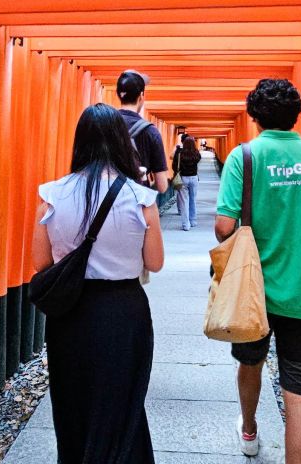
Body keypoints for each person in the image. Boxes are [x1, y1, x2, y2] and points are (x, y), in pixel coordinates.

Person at [214, 79, 301, 464]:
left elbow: (225, 226)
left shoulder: (245, 157)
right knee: (299, 395)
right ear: (296, 115)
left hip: (253, 292)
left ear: (254, 118)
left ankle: (250, 428)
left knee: (250, 363)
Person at [32, 103, 165, 464]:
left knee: (72, 399)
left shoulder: (51, 195)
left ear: (80, 143)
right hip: (124, 310)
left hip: (71, 313)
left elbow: (42, 264)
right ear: (123, 143)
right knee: (123, 399)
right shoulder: (141, 198)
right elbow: (155, 262)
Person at [116, 70, 169, 193]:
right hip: (137, 203)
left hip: (105, 202)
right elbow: (162, 187)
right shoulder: (151, 131)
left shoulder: (103, 125)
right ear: (141, 96)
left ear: (118, 94)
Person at [172, 137, 202, 231]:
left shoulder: (180, 153)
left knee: (184, 201)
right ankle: (193, 221)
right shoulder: (196, 154)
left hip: (183, 178)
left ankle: (186, 225)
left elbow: (174, 166)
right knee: (193, 199)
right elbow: (198, 159)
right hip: (194, 178)